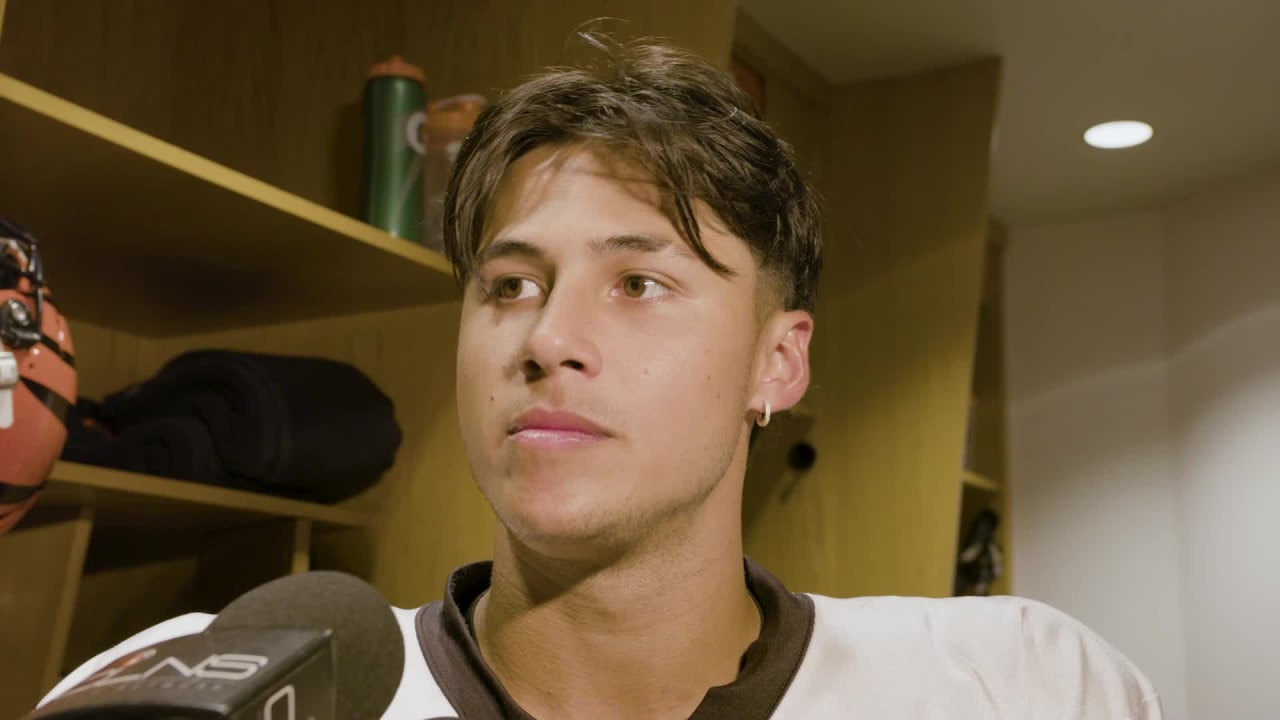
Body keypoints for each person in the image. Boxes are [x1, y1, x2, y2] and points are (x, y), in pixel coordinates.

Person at [39, 34, 1163, 719]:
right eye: (510, 284)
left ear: (777, 360)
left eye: (638, 284)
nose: (546, 338)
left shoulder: (1024, 687)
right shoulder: (204, 689)